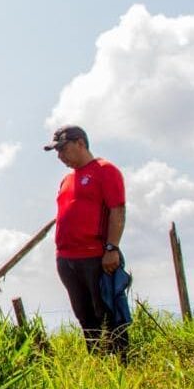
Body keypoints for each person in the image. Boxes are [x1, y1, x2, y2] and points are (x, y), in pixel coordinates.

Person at [44, 124, 130, 354]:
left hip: (96, 256)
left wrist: (112, 248)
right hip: (66, 258)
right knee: (85, 317)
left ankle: (123, 362)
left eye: (63, 149)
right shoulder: (67, 180)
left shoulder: (105, 170)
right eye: (57, 152)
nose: (60, 156)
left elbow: (118, 210)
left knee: (108, 315)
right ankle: (97, 362)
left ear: (80, 143)